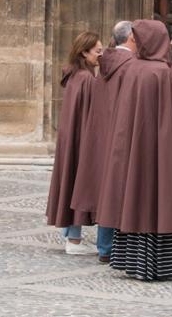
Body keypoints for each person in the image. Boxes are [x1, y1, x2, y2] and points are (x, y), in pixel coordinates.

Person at [96, 19, 172, 281]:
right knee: (167, 204)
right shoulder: (160, 72)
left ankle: (137, 264)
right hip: (160, 154)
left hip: (136, 153)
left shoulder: (133, 69)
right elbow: (167, 121)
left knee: (138, 203)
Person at [70, 21, 136, 262]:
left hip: (103, 137)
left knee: (107, 190)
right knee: (117, 190)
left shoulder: (103, 68)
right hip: (121, 136)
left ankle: (105, 247)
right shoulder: (130, 66)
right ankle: (111, 247)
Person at [46, 31, 113, 257]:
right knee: (78, 182)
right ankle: (73, 240)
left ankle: (72, 237)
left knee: (72, 182)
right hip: (81, 139)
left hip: (73, 138)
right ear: (84, 52)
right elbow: (93, 114)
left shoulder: (77, 75)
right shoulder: (85, 79)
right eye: (97, 51)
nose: (101, 55)